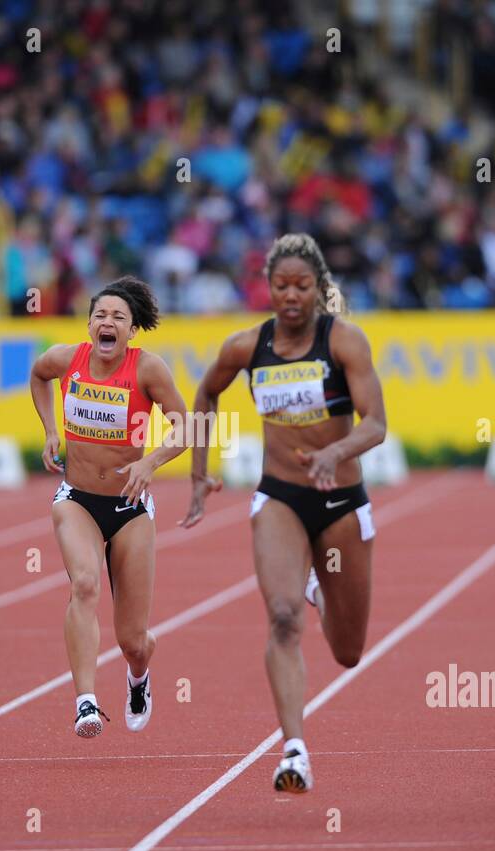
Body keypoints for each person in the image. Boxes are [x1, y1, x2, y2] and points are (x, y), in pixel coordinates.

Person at [183, 234, 387, 791]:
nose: (291, 296)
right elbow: (206, 394)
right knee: (280, 617)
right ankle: (293, 749)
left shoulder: (344, 342)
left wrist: (334, 452)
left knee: (347, 651)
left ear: (320, 290)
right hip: (280, 496)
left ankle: (321, 590)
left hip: (341, 501)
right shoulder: (248, 346)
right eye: (280, 286)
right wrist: (199, 472)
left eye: (302, 286)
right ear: (268, 288)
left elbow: (376, 423)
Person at [29, 276, 189, 737]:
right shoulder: (66, 360)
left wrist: (153, 461)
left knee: (133, 641)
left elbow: (188, 424)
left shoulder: (148, 370)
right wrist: (50, 431)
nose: (108, 322)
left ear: (132, 330)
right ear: (89, 324)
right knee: (84, 584)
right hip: (76, 498)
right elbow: (39, 375)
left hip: (130, 507)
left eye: (118, 317)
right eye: (101, 315)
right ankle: (85, 702)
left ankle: (138, 676)